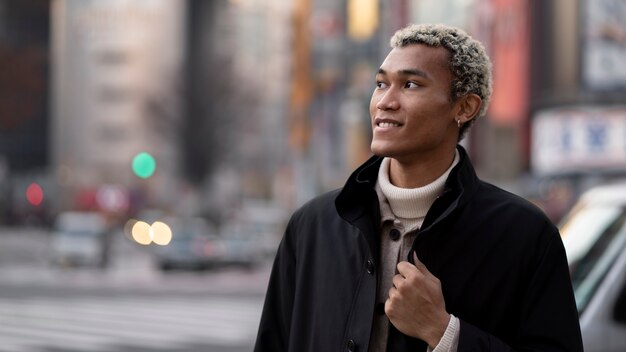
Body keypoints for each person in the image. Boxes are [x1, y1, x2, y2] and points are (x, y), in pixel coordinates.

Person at [254, 23, 583, 352]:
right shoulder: (313, 226)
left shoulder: (525, 235)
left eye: (410, 84)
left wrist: (445, 333)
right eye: (381, 83)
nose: (385, 101)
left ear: (464, 107)